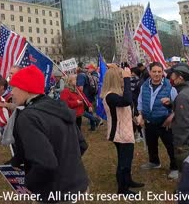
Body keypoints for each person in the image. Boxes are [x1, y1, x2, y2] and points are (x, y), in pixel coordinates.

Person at [8, 65, 89, 202]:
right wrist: (15, 161)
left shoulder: (28, 117)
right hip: (78, 185)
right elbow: (81, 145)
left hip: (55, 194)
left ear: (26, 88)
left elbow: (45, 164)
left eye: (14, 87)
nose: (12, 93)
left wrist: (26, 184)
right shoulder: (58, 106)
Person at [101, 65, 144, 195]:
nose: (123, 79)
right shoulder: (110, 96)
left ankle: (128, 180)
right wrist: (127, 79)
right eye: (120, 77)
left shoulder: (118, 93)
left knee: (127, 159)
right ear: (114, 79)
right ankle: (122, 189)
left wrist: (136, 115)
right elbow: (126, 101)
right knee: (123, 162)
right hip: (119, 133)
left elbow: (129, 103)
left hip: (125, 131)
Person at [136, 62, 179, 179]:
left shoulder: (170, 87)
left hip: (165, 123)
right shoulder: (144, 86)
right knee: (151, 144)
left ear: (162, 73)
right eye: (154, 71)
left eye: (159, 72)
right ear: (149, 72)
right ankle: (154, 162)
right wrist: (140, 114)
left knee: (170, 146)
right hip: (149, 121)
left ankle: (175, 167)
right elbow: (140, 101)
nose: (156, 74)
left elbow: (177, 105)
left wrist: (171, 115)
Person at [77, 64, 101, 131]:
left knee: (81, 111)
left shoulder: (81, 76)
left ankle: (96, 120)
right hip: (90, 96)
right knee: (89, 111)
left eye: (87, 68)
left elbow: (80, 88)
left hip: (84, 96)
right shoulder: (87, 75)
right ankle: (93, 127)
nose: (87, 69)